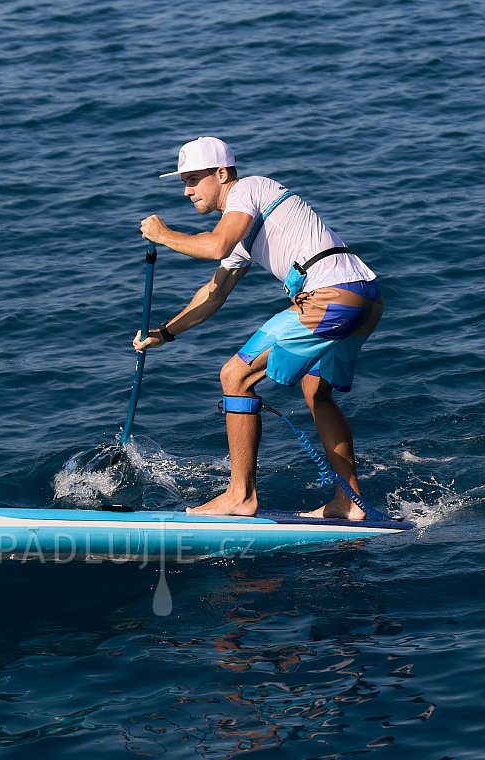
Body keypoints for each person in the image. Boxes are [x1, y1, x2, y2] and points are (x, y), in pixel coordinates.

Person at [135, 136, 384, 520]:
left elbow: (216, 245)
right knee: (315, 391)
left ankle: (240, 495)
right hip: (364, 297)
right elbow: (213, 295)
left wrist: (163, 235)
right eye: (183, 181)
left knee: (235, 375)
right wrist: (165, 333)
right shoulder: (244, 227)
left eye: (193, 179)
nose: (186, 191)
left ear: (222, 173)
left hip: (331, 297)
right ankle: (349, 502)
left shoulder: (249, 188)